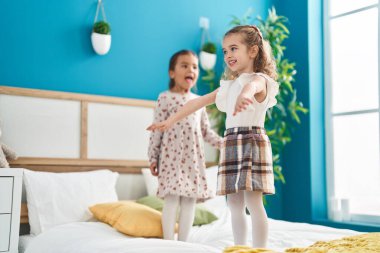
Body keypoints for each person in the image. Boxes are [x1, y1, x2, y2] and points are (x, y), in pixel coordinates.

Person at [147, 25, 279, 248]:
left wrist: (246, 94)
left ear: (253, 51)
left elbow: (253, 86)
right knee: (234, 203)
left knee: (253, 202)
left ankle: (260, 249)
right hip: (231, 143)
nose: (227, 55)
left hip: (250, 141)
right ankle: (240, 247)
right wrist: (169, 121)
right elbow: (196, 102)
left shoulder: (260, 79)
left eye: (233, 49)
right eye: (225, 51)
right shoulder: (228, 87)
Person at [147, 49, 223, 242]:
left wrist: (224, 143)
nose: (191, 69)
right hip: (170, 158)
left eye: (195, 67)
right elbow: (157, 130)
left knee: (189, 200)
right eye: (185, 65)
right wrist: (152, 157)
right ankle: (168, 243)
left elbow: (206, 131)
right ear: (172, 73)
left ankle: (183, 243)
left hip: (192, 160)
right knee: (172, 199)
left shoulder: (199, 102)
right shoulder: (165, 98)